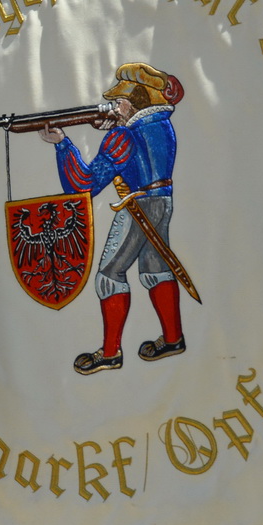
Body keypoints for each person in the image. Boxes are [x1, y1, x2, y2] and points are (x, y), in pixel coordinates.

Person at [40, 62, 184, 374]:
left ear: (136, 102)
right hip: (161, 202)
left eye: (119, 102)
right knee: (156, 270)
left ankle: (109, 352)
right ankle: (173, 339)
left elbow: (83, 185)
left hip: (138, 207)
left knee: (109, 275)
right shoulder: (161, 126)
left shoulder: (123, 137)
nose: (113, 106)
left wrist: (63, 145)